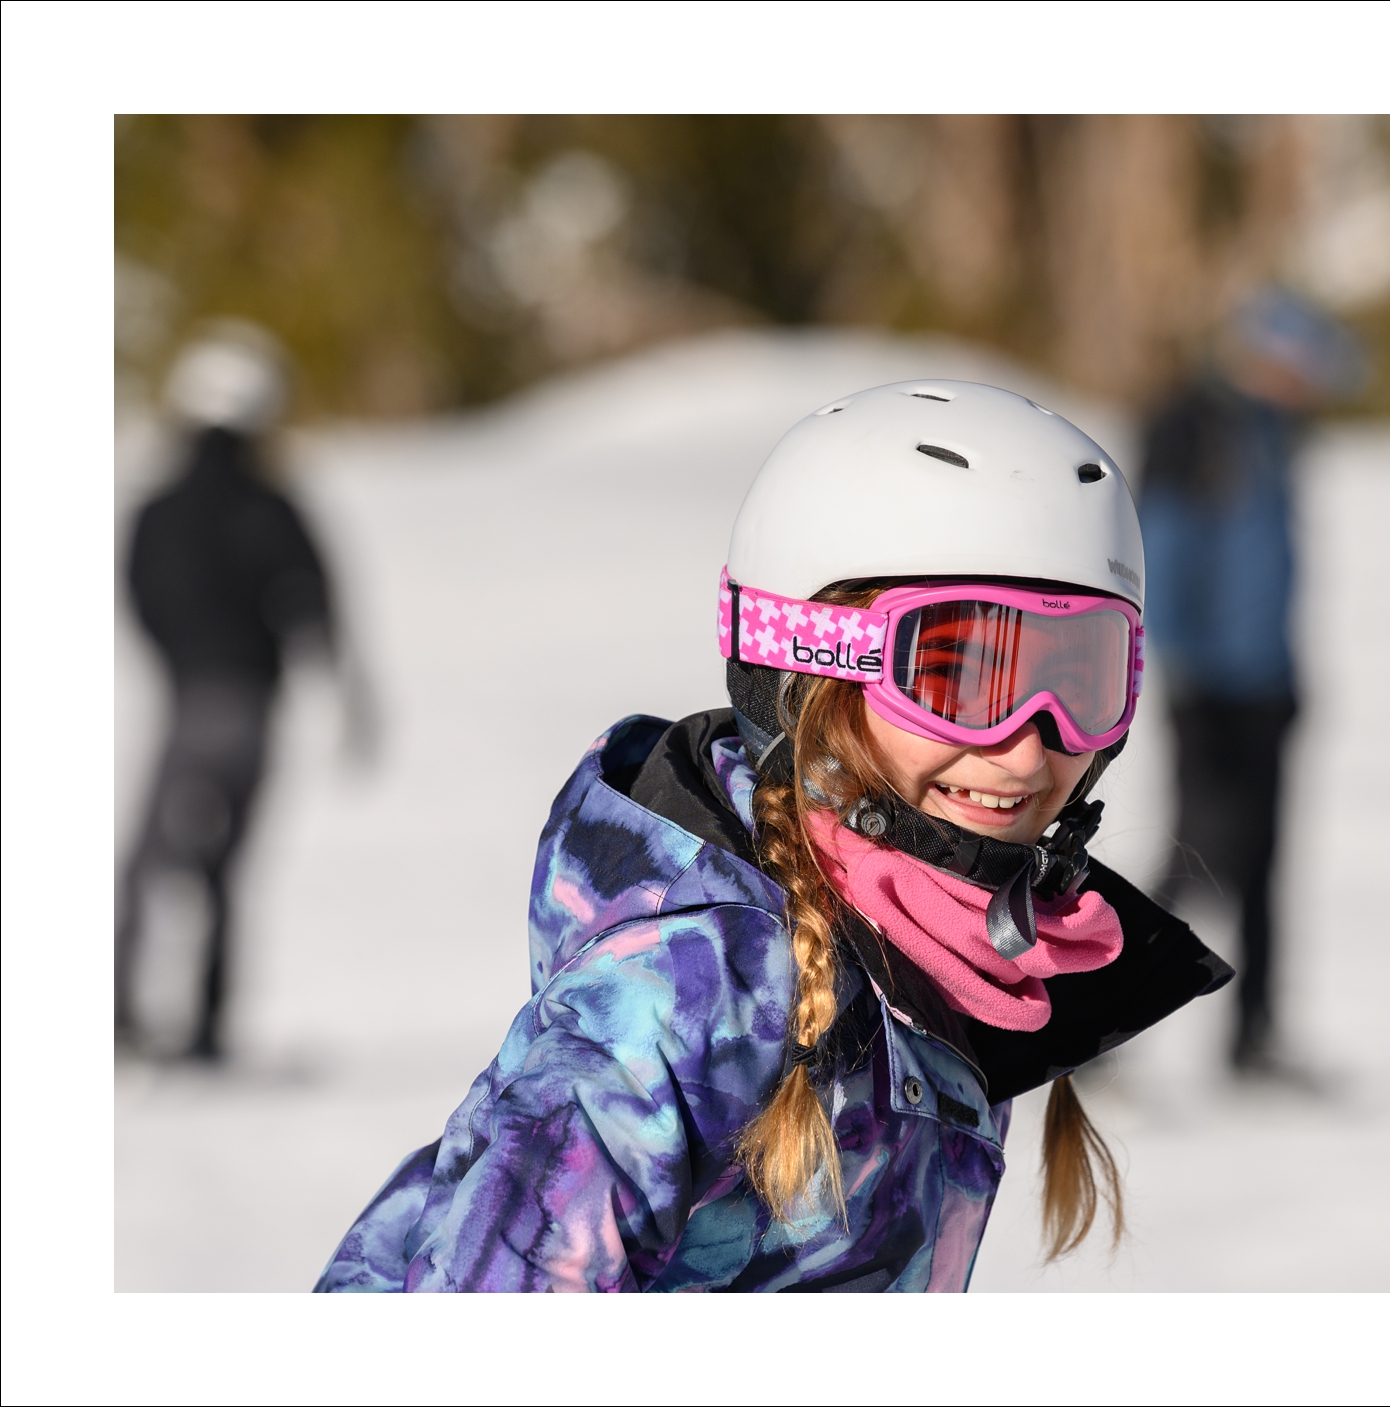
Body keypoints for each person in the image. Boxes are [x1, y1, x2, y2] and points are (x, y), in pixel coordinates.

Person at [315, 381, 1231, 1293]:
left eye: (1080, 677)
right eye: (958, 673)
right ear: (808, 664)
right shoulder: (684, 990)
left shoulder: (939, 950)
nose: (1031, 741)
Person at [116, 323, 370, 1062]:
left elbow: (141, 598)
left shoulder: (158, 507)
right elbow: (316, 603)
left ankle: (120, 1018)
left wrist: (183, 663)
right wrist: (345, 697)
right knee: (220, 869)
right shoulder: (274, 505)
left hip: (191, 704)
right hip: (254, 712)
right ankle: (203, 1029)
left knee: (148, 863)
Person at [1138, 287, 1364, 1080]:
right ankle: (1094, 1027)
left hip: (1268, 688)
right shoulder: (1191, 427)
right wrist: (1183, 667)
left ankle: (1254, 1038)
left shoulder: (1275, 433)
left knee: (1266, 867)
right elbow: (1161, 558)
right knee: (1198, 860)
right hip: (1209, 693)